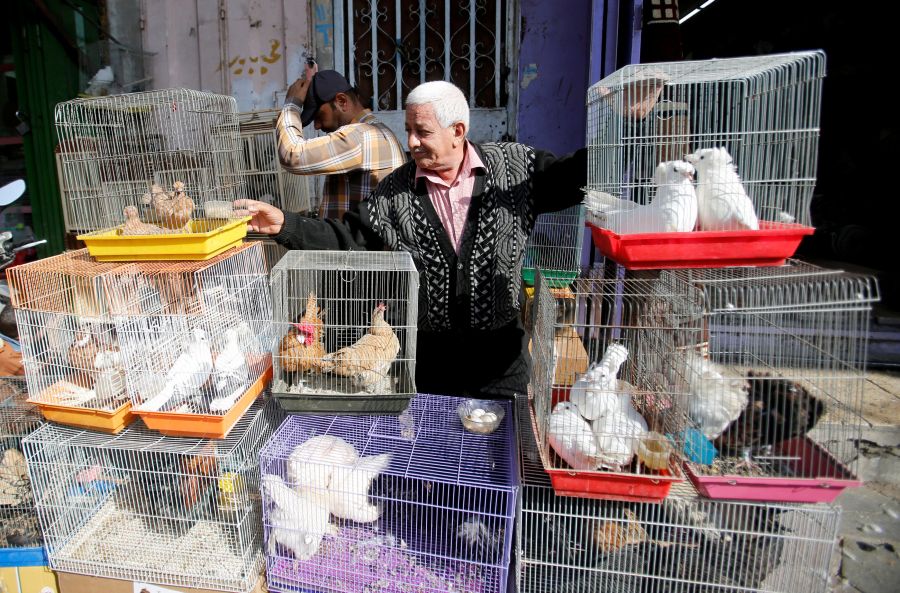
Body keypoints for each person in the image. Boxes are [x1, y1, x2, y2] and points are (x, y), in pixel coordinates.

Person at [238, 81, 586, 398]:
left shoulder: (515, 167)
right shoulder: (395, 192)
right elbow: (345, 237)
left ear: (457, 131)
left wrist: (626, 121)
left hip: (501, 369)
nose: (411, 143)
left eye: (422, 132)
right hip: (430, 371)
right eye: (408, 130)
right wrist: (286, 224)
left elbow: (576, 175)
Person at [277, 62, 406, 218]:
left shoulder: (360, 136)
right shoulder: (378, 131)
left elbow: (292, 155)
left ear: (342, 101)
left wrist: (291, 105)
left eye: (319, 116)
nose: (317, 126)